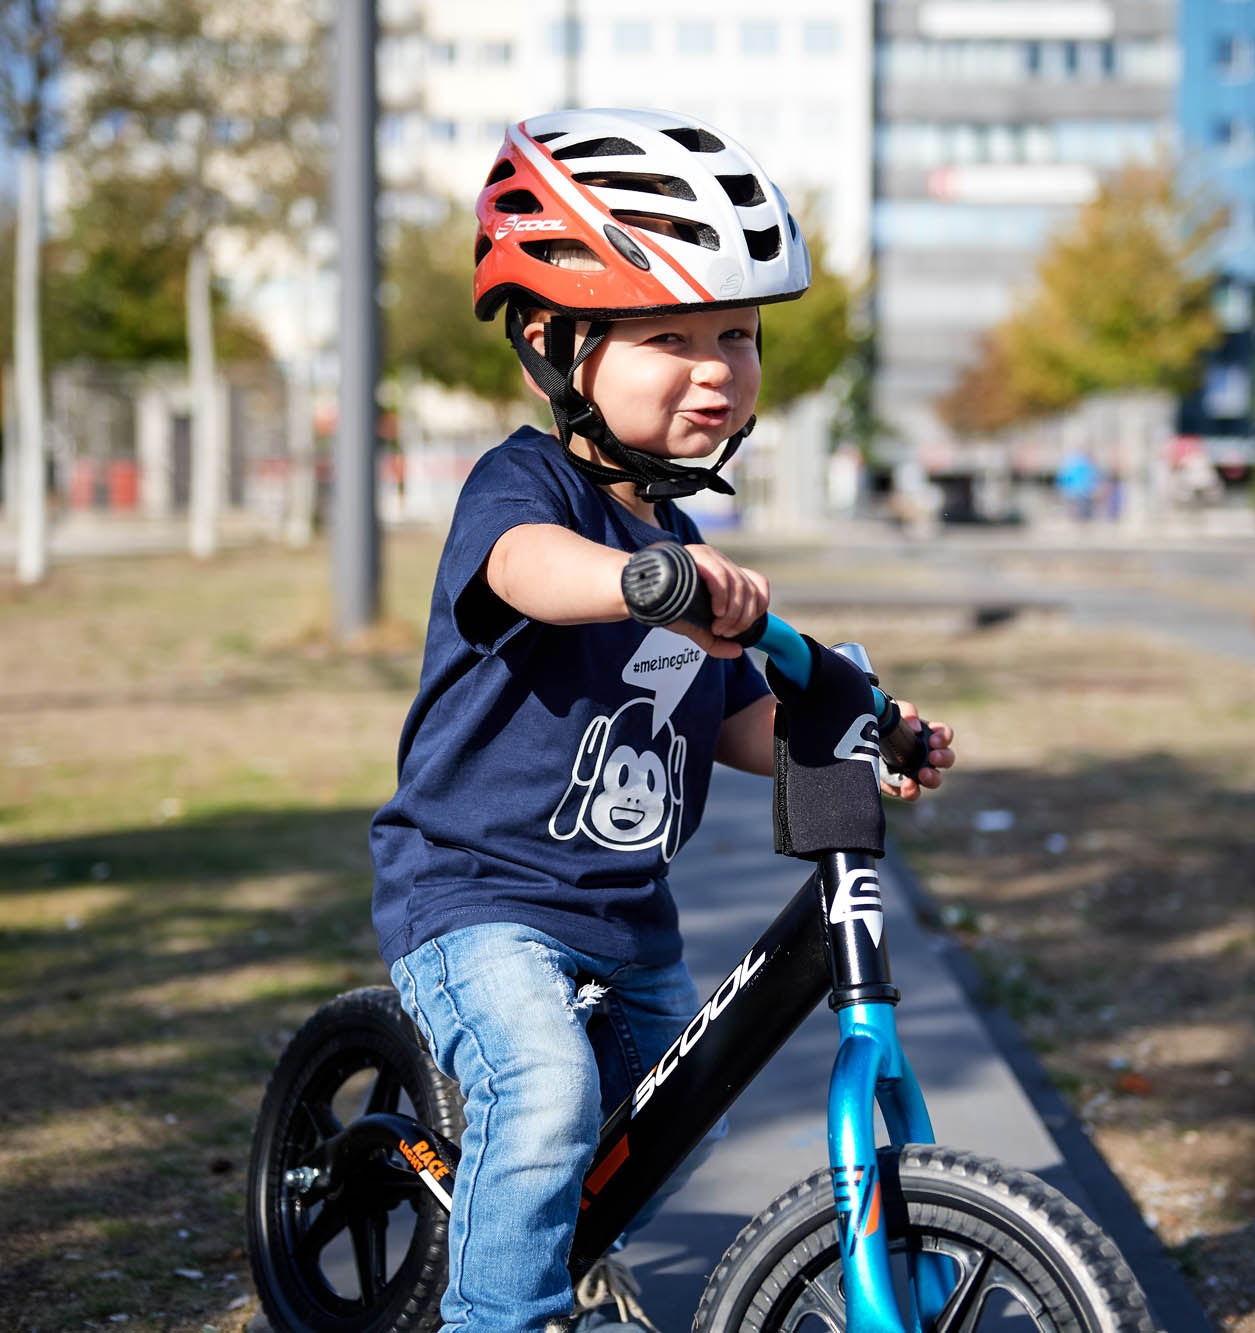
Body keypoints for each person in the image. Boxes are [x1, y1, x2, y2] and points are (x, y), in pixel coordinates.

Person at [369, 107, 957, 1333]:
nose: (717, 370)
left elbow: (740, 718)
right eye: (671, 338)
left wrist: (863, 731)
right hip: (477, 896)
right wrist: (644, 585)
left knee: (672, 1116)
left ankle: (555, 1250)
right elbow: (526, 569)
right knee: (539, 1095)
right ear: (553, 339)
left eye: (736, 336)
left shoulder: (684, 539)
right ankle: (496, 1318)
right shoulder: (527, 488)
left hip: (627, 917)